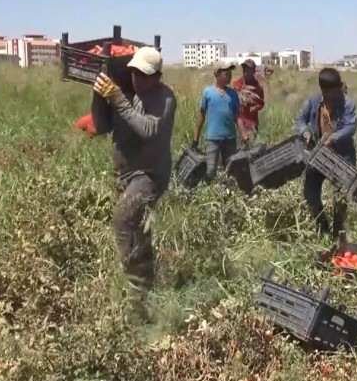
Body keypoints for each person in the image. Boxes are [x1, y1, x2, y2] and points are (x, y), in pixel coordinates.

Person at [91, 46, 177, 292]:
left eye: (143, 74)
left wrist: (117, 98)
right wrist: (98, 96)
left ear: (157, 76)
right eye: (134, 73)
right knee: (138, 229)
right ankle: (146, 280)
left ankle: (132, 286)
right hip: (125, 174)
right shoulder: (125, 92)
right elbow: (102, 126)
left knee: (123, 220)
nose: (137, 79)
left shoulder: (165, 99)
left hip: (149, 175)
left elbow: (149, 131)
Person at [295, 68, 357, 238]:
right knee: (310, 192)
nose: (337, 93)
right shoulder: (314, 102)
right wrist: (305, 133)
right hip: (318, 156)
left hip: (341, 157)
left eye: (338, 88)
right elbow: (300, 120)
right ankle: (322, 226)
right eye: (332, 90)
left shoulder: (348, 104)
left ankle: (338, 234)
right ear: (323, 89)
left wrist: (333, 138)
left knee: (340, 198)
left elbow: (350, 127)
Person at [193, 61, 249, 183]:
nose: (229, 75)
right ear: (217, 74)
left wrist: (244, 136)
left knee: (230, 169)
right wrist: (195, 139)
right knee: (211, 170)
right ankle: (208, 191)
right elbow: (201, 116)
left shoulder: (233, 94)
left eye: (230, 73)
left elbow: (238, 117)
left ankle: (227, 194)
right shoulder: (208, 93)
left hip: (230, 140)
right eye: (226, 73)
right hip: (213, 140)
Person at [232, 59, 265, 141]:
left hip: (251, 124)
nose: (245, 71)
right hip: (238, 124)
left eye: (248, 69)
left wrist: (255, 108)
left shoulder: (258, 87)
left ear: (253, 71)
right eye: (244, 68)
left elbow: (261, 103)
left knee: (251, 148)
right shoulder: (236, 83)